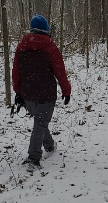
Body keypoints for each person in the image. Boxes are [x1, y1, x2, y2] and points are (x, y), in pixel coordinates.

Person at [11, 14, 71, 169]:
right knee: (40, 123)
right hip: (46, 94)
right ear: (46, 30)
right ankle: (33, 158)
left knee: (40, 122)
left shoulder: (21, 46)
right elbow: (60, 72)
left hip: (28, 95)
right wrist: (66, 91)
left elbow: (16, 72)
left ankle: (50, 146)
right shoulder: (50, 47)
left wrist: (18, 91)